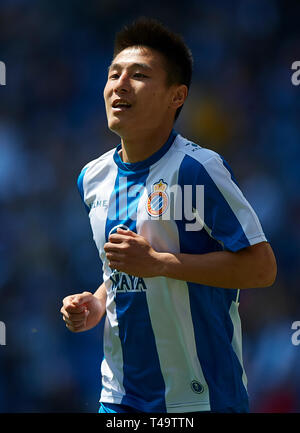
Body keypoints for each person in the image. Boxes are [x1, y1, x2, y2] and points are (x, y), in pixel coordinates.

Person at [60, 17, 277, 414]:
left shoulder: (198, 169)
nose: (120, 84)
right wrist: (95, 303)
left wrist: (159, 263)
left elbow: (261, 268)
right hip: (120, 399)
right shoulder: (92, 178)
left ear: (177, 96)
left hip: (203, 400)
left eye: (139, 74)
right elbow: (122, 272)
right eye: (113, 74)